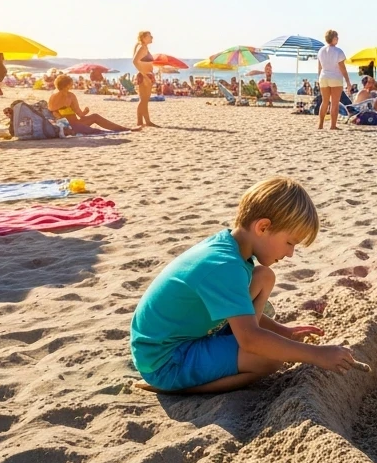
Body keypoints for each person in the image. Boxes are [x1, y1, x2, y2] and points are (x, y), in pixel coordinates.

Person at [129, 178, 358, 393]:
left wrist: (283, 332)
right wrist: (317, 355)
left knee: (263, 276)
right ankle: (177, 389)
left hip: (183, 338)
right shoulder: (224, 266)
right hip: (165, 360)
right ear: (263, 227)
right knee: (269, 360)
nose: (290, 253)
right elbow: (249, 338)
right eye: (289, 243)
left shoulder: (231, 246)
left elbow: (239, 310)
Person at [47, 75, 133, 134]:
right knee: (96, 129)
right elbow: (53, 111)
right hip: (70, 126)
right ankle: (123, 129)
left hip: (72, 124)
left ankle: (123, 129)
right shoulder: (68, 96)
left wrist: (85, 112)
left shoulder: (56, 96)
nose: (72, 85)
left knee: (95, 116)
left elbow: (80, 115)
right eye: (71, 84)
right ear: (67, 85)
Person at [317, 30, 350, 130]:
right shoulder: (338, 51)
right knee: (334, 103)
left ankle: (320, 125)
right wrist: (348, 81)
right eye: (337, 37)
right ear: (334, 38)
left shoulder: (321, 51)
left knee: (325, 101)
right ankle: (333, 125)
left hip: (324, 77)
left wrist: (319, 78)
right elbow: (342, 68)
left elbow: (319, 67)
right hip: (335, 77)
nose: (338, 39)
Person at [132, 31, 158, 128]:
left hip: (147, 74)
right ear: (143, 38)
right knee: (143, 100)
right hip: (145, 75)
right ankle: (140, 122)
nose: (152, 37)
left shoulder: (144, 48)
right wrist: (145, 75)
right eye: (149, 36)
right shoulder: (142, 48)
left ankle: (146, 121)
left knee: (145, 100)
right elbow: (135, 61)